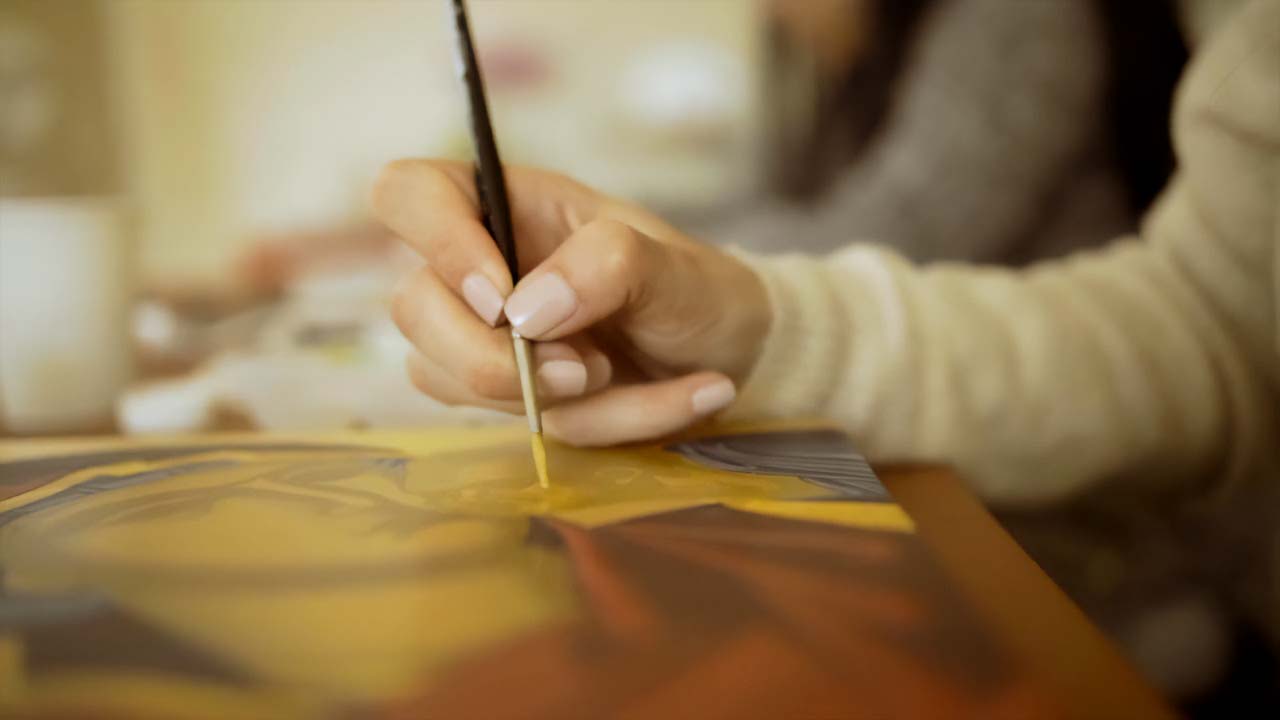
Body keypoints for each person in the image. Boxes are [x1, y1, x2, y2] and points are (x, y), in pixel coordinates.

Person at [374, 0, 1277, 690]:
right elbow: (1220, 323)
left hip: (1097, 536)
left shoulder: (1014, 21)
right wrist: (612, 243)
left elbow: (899, 223)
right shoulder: (824, 70)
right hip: (956, 458)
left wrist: (659, 260)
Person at [717, 0, 1162, 263]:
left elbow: (901, 237)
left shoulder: (1017, 19)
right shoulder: (850, 57)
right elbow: (769, 199)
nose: (771, 9)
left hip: (1060, 367)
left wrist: (685, 265)